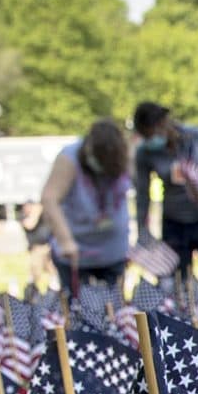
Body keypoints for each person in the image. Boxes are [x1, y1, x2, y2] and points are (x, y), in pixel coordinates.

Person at [132, 101, 198, 282]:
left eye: (153, 132)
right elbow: (142, 194)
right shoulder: (145, 153)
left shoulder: (196, 137)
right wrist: (142, 229)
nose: (152, 138)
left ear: (163, 123)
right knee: (176, 281)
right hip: (174, 223)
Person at [39, 118, 132, 293]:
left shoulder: (122, 156)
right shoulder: (70, 157)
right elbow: (50, 198)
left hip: (113, 250)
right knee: (78, 308)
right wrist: (65, 241)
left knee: (114, 308)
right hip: (77, 251)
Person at [19, 200, 53, 290]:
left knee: (53, 272)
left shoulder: (43, 216)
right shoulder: (25, 216)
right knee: (34, 274)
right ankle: (32, 294)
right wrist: (36, 212)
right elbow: (30, 224)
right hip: (36, 249)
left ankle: (55, 292)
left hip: (48, 247)